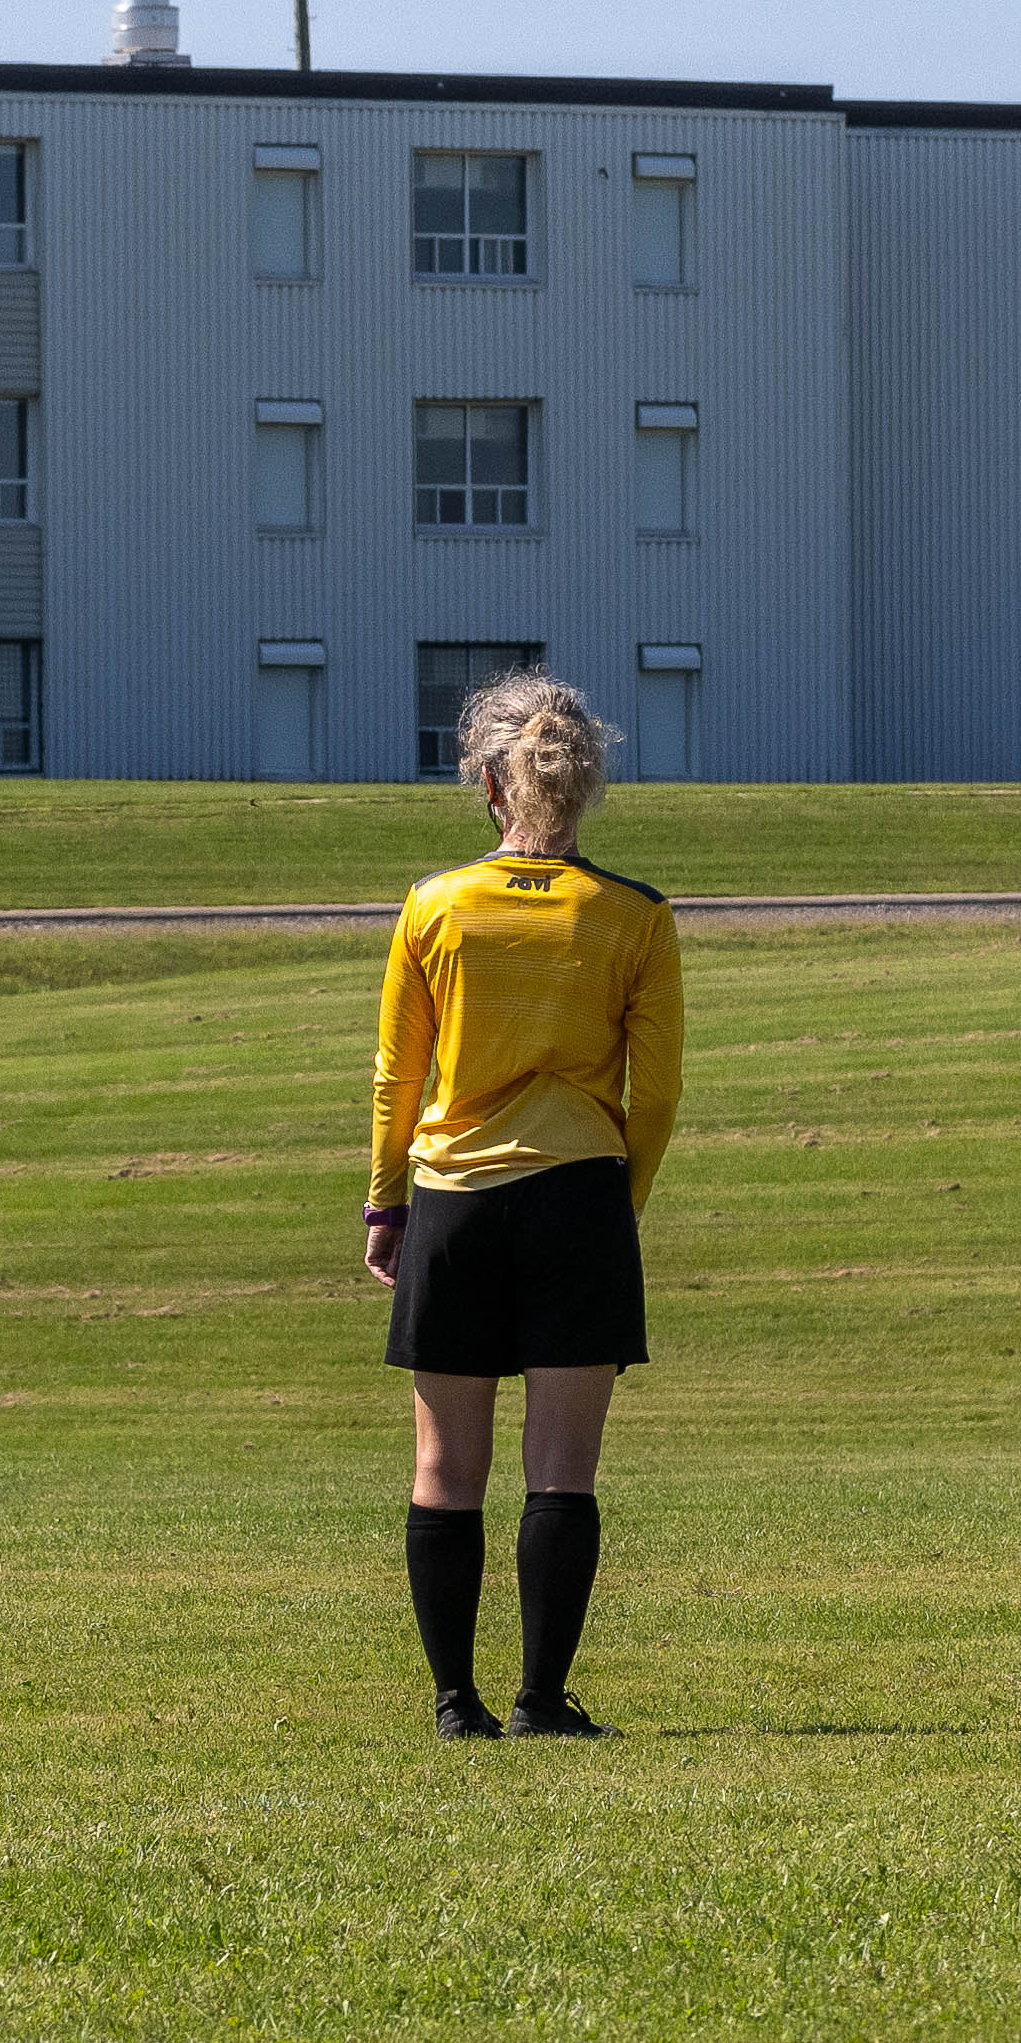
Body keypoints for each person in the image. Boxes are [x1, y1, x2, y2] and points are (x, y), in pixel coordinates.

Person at [362, 667, 682, 1739]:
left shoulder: (434, 905)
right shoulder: (633, 915)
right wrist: (617, 1204)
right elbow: (657, 1093)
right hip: (578, 1197)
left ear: (490, 784)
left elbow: (396, 1077)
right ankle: (542, 1698)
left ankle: (456, 1704)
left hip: (453, 1200)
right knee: (562, 1471)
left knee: (445, 1468)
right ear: (583, 785)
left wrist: (385, 1205)